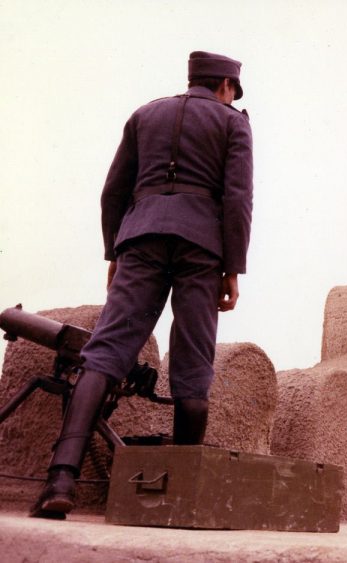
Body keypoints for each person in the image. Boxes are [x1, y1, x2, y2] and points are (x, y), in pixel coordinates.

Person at [30, 51, 254, 519]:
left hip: (141, 237)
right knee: (194, 361)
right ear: (226, 87)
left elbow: (113, 191)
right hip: (201, 248)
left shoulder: (144, 115)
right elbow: (237, 201)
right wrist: (232, 268)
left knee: (107, 352)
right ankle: (181, 498)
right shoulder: (233, 124)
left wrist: (114, 251)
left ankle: (60, 481)